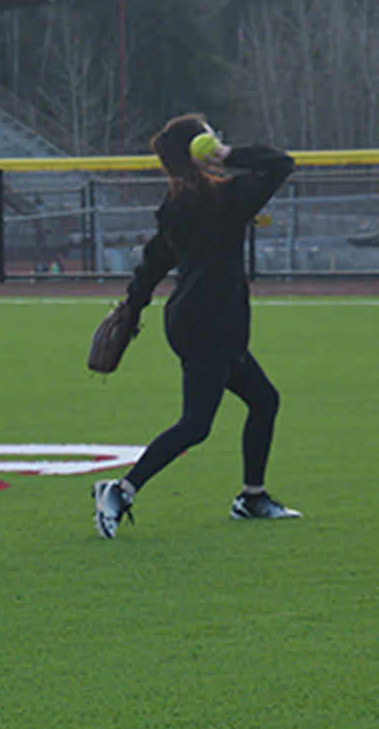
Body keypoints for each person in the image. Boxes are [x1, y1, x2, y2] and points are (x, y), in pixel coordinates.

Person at [92, 116, 299, 540]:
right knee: (196, 424)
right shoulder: (228, 198)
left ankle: (252, 497)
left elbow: (152, 265)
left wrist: (132, 308)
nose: (219, 142)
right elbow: (281, 163)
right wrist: (229, 155)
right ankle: (120, 491)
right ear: (200, 149)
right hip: (210, 322)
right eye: (211, 138)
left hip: (201, 320)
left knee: (264, 399)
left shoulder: (178, 205)